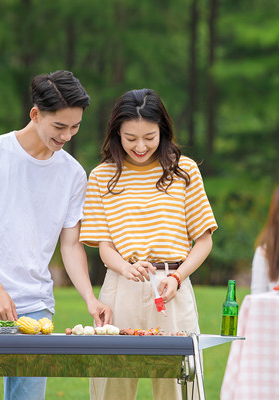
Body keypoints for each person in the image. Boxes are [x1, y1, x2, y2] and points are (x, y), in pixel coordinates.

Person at [0, 70, 112, 400]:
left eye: (75, 126)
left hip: (37, 310)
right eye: (59, 126)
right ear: (35, 114)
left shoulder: (73, 174)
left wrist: (90, 298)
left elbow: (70, 245)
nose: (67, 135)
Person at [80, 88, 217, 400]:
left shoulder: (185, 170)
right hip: (121, 288)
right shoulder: (102, 176)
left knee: (180, 387)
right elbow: (104, 246)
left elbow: (204, 240)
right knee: (112, 386)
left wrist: (177, 277)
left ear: (163, 131)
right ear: (116, 133)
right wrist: (127, 268)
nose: (140, 146)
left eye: (149, 137)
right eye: (130, 138)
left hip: (172, 289)